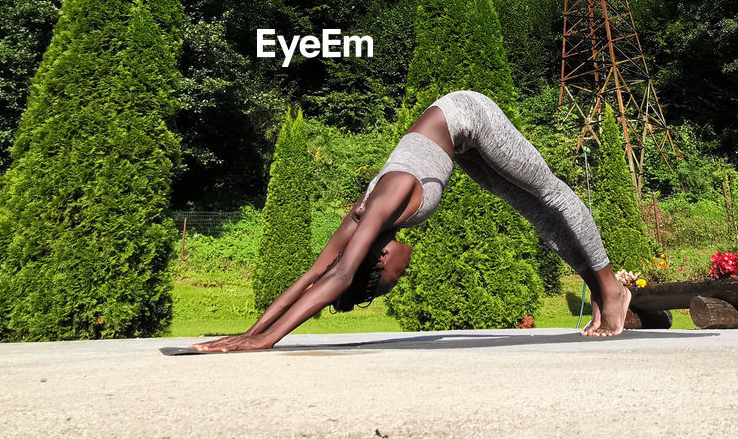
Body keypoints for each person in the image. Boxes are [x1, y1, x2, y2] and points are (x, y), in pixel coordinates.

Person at [192, 90, 632, 352]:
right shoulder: (361, 222)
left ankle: (611, 289)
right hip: (460, 146)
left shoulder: (385, 198)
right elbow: (314, 273)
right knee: (535, 211)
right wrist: (249, 333)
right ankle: (599, 290)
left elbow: (342, 274)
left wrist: (265, 341)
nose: (407, 265)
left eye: (396, 274)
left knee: (549, 191)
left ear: (381, 258)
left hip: (467, 115)